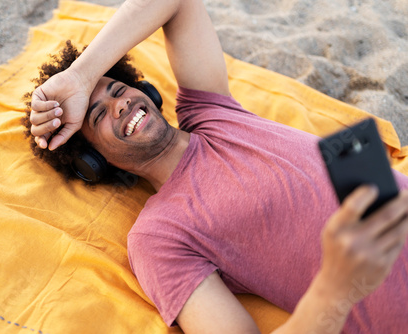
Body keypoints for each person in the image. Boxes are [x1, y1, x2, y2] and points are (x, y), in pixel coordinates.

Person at [27, 0, 408, 332]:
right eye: (98, 116)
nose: (121, 105)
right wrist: (336, 288)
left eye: (118, 89)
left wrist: (81, 76)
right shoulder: (158, 237)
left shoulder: (210, 111)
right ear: (94, 161)